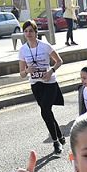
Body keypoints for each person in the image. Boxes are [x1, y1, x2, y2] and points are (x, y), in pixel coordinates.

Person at [18, 20, 65, 155]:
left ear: (36, 32)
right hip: (36, 84)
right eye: (26, 31)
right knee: (47, 111)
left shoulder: (45, 46)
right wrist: (27, 71)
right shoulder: (23, 50)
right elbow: (21, 74)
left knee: (45, 110)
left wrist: (51, 71)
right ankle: (60, 135)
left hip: (49, 83)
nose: (28, 34)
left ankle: (56, 142)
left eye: (31, 31)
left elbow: (59, 61)